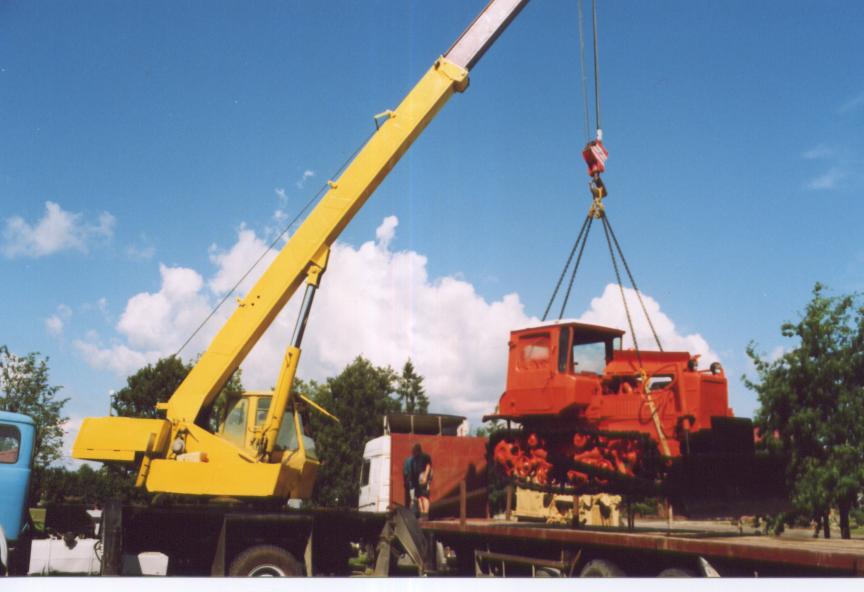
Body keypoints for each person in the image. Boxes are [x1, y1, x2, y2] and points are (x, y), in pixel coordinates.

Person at [410, 443, 432, 520]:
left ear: (417, 450)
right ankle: (422, 514)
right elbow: (413, 471)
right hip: (417, 481)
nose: (412, 451)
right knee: (419, 498)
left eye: (413, 450)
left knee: (425, 497)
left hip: (423, 478)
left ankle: (426, 514)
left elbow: (428, 466)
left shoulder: (425, 456)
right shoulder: (413, 459)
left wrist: (425, 477)